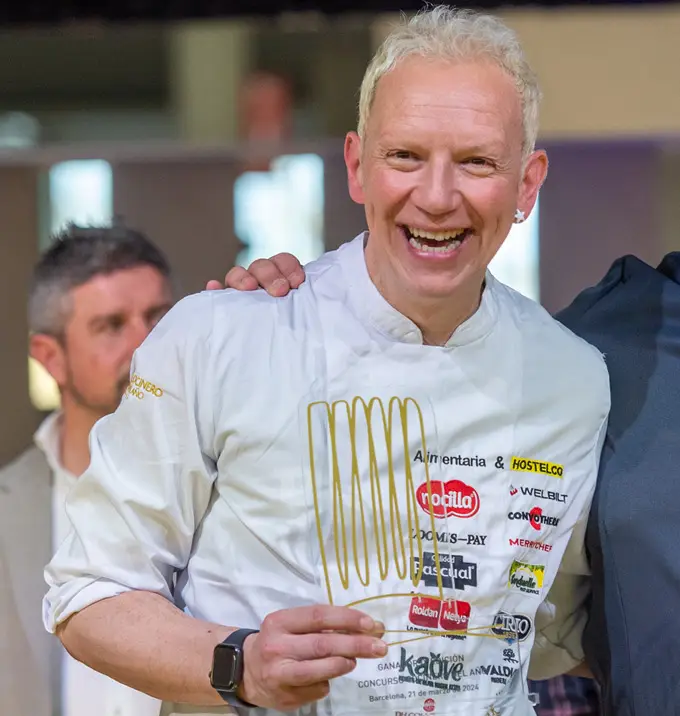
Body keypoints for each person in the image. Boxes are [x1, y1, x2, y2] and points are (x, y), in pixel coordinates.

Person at [43, 7, 610, 716]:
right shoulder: (222, 335)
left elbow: (551, 630)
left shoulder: (577, 381)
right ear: (356, 166)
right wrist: (237, 664)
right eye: (405, 156)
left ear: (527, 184)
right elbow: (87, 593)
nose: (436, 197)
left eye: (476, 162)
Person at [0, 223, 174, 716]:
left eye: (158, 318)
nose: (147, 347)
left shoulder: (229, 489)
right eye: (112, 325)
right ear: (50, 358)